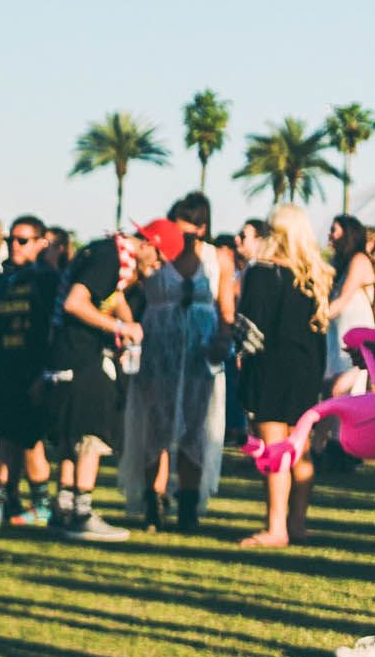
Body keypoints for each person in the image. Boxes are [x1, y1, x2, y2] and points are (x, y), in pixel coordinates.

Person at [119, 202, 232, 530]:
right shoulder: (154, 254)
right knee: (157, 423)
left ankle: (188, 502)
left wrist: (223, 340)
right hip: (160, 346)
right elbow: (117, 289)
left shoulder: (216, 258)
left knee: (196, 426)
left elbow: (226, 304)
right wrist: (128, 324)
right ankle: (154, 501)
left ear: (200, 230)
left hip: (200, 349)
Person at [236, 204, 335, 547]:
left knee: (275, 450)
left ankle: (275, 528)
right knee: (301, 450)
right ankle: (297, 523)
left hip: (270, 367)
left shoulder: (262, 272)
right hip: (306, 368)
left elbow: (250, 330)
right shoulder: (315, 276)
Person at [43, 234, 148, 543]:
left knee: (69, 436)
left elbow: (113, 298)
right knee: (91, 436)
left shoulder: (100, 253)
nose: (155, 266)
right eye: (158, 258)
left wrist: (126, 323)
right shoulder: (110, 258)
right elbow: (75, 303)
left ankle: (63, 508)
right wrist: (119, 327)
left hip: (64, 356)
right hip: (83, 359)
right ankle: (82, 513)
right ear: (149, 244)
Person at [0, 217, 59, 528]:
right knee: (7, 437)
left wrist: (46, 373)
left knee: (31, 442)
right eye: (11, 241)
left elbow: (55, 331)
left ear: (39, 243)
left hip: (34, 372)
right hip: (5, 370)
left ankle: (42, 503)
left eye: (22, 241)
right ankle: (4, 499)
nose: (14, 247)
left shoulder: (48, 281)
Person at [326, 215, 372, 396]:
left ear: (348, 233)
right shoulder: (338, 265)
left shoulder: (360, 260)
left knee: (339, 390)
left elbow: (343, 299)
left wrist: (316, 318)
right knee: (332, 394)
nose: (329, 235)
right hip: (338, 337)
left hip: (358, 340)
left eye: (334, 230)